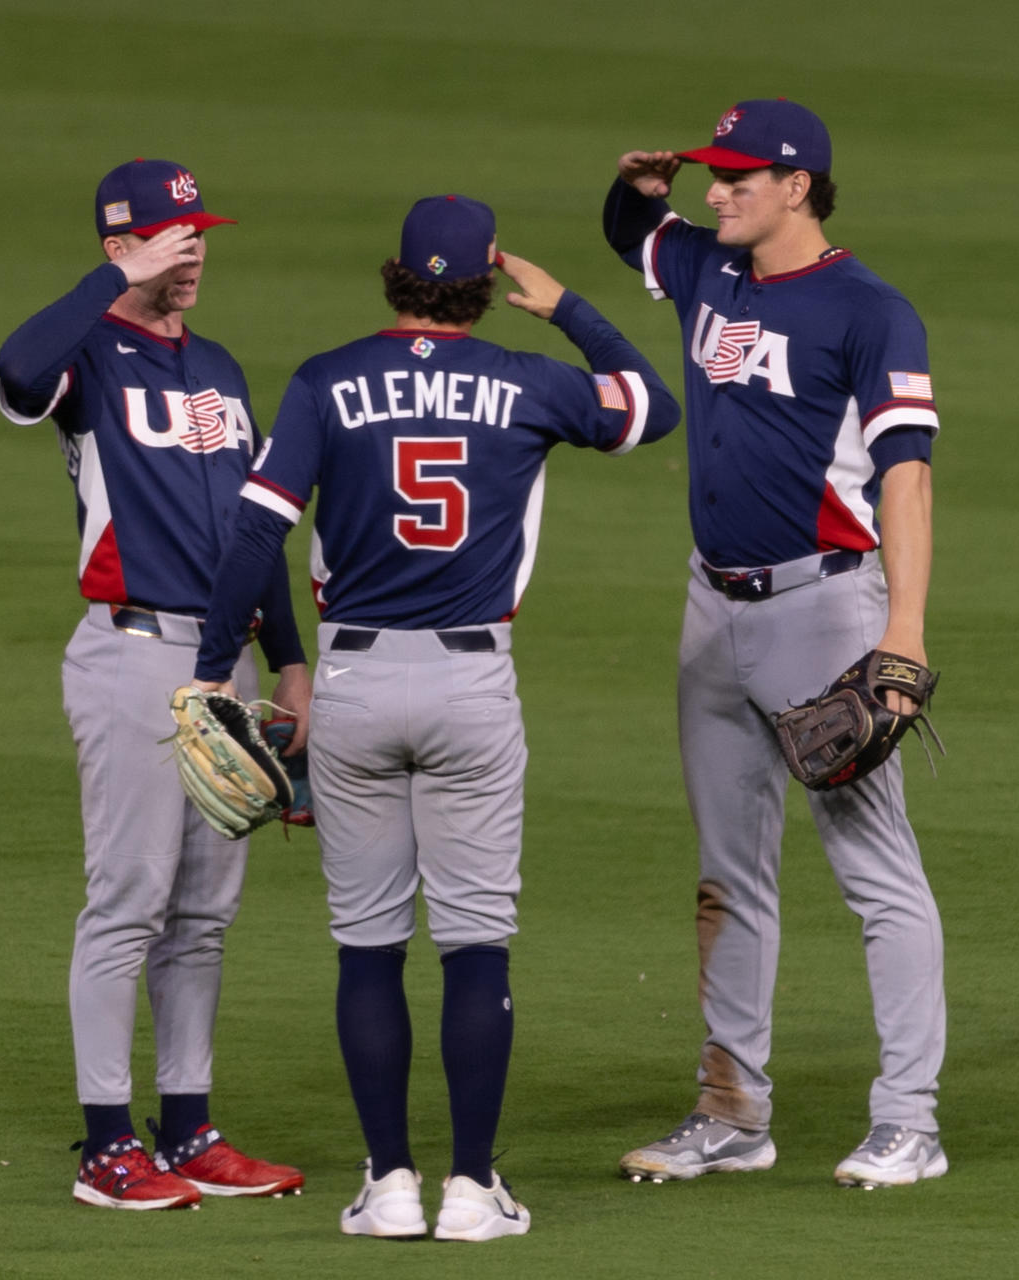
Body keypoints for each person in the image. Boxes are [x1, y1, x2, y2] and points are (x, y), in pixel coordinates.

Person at [189, 195, 680, 1240]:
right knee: (475, 947)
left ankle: (389, 1182)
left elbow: (253, 534)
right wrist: (567, 310)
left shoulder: (327, 381)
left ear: (396, 275)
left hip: (356, 686)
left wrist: (208, 671)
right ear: (482, 280)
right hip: (471, 686)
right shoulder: (526, 381)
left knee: (367, 947)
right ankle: (470, 1189)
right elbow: (653, 406)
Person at [603, 99, 951, 1189]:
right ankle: (733, 1112)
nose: (717, 193)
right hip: (713, 612)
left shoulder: (869, 310)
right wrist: (643, 184)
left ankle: (910, 1119)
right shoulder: (712, 270)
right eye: (713, 177)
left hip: (827, 613)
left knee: (875, 871)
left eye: (738, 178)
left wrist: (901, 630)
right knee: (727, 874)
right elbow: (632, 233)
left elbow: (905, 473)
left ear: (798, 185)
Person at [0, 158, 312, 1210]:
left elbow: (256, 525)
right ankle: (103, 1145)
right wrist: (111, 282)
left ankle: (188, 1129)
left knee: (204, 911)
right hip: (131, 649)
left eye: (200, 234)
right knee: (127, 898)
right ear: (122, 245)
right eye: (173, 237)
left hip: (229, 657)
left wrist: (293, 658)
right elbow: (12, 371)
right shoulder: (85, 354)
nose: (194, 251)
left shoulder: (218, 364)